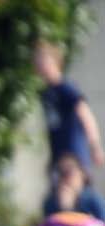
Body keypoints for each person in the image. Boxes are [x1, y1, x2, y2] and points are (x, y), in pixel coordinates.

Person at [33, 40, 105, 173]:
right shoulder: (46, 93)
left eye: (43, 60)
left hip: (74, 155)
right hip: (59, 158)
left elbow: (85, 114)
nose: (40, 65)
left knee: (77, 193)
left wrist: (95, 146)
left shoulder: (66, 88)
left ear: (55, 61)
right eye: (37, 61)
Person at [42, 152, 105, 221]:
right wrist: (64, 208)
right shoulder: (51, 202)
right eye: (60, 172)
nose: (64, 177)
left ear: (82, 173)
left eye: (69, 171)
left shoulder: (93, 201)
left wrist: (70, 209)